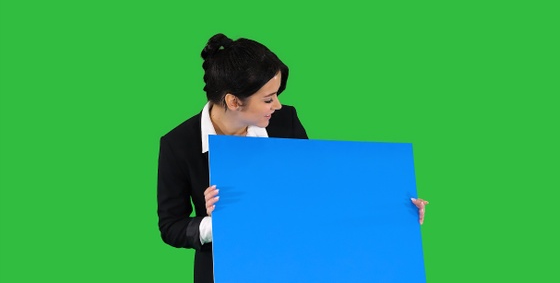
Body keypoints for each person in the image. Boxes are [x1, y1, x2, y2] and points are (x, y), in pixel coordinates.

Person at [157, 33, 429, 283]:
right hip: (225, 270)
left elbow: (320, 191)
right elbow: (171, 226)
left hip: (291, 263)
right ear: (233, 101)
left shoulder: (284, 122)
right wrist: (216, 224)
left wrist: (396, 210)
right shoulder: (178, 145)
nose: (277, 105)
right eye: (268, 99)